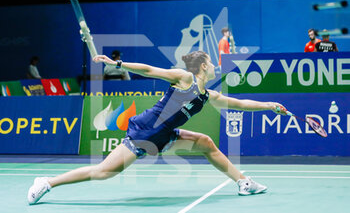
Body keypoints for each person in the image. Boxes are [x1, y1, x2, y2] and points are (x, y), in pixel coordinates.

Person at [27, 51, 288, 205]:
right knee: (104, 172)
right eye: (212, 62)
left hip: (164, 135)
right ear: (204, 66)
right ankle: (47, 182)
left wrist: (268, 105)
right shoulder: (185, 78)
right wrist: (118, 64)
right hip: (145, 132)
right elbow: (150, 70)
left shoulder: (207, 94)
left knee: (206, 143)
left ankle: (243, 182)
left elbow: (240, 103)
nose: (215, 66)